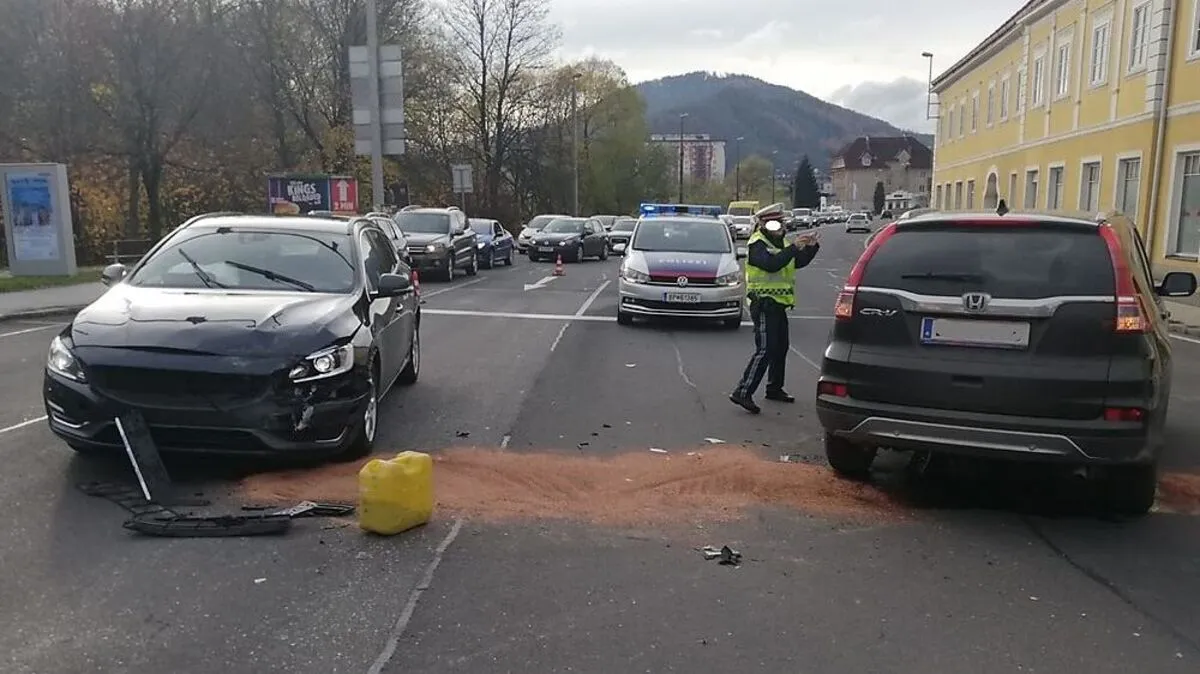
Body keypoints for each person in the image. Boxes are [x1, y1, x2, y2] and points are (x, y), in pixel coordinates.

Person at [730, 202, 820, 414]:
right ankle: (742, 391)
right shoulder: (757, 244)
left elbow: (797, 262)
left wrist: (812, 246)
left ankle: (774, 388)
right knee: (766, 349)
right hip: (763, 303)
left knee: (781, 348)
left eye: (780, 222)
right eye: (773, 223)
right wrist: (793, 248)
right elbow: (771, 264)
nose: (779, 227)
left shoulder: (781, 243)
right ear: (762, 224)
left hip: (778, 305)